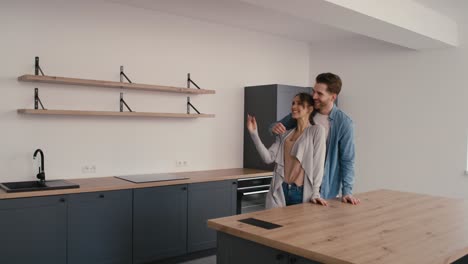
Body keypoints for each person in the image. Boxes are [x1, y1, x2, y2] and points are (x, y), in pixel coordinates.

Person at [271, 73, 360, 205]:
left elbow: (347, 160)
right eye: (314, 91)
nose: (314, 96)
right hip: (296, 187)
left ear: (333, 97)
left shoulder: (344, 123)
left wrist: (347, 192)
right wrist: (274, 128)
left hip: (323, 190)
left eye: (319, 93)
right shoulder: (306, 111)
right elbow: (275, 126)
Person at [246, 93, 327, 208]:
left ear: (309, 109)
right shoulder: (284, 134)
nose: (294, 106)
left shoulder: (316, 131)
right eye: (293, 103)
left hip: (301, 193)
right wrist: (254, 133)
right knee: (275, 225)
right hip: (280, 190)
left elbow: (318, 165)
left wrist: (315, 193)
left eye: (299, 104)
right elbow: (268, 158)